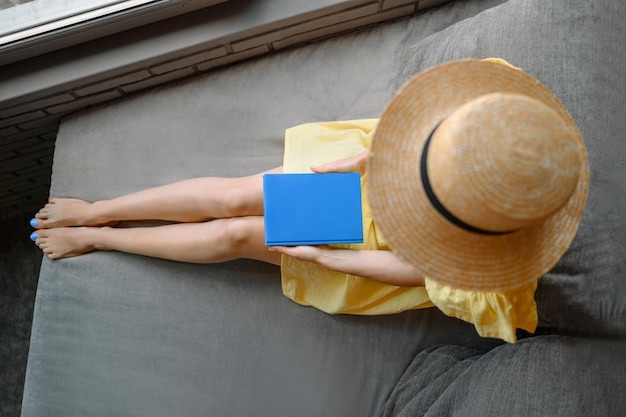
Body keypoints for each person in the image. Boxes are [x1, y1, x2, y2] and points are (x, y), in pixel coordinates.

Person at [29, 59, 589, 342]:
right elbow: (418, 133)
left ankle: (98, 237)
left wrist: (326, 259)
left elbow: (412, 268)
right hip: (372, 182)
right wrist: (367, 162)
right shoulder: (502, 128)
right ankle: (100, 211)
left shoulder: (493, 262)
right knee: (236, 195)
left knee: (235, 234)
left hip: (368, 254)